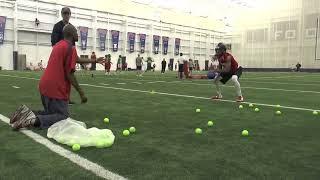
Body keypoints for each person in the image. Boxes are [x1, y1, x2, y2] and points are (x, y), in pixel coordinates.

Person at [9, 24, 91, 130]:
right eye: (76, 32)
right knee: (62, 117)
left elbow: (77, 59)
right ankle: (32, 120)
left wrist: (95, 60)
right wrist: (81, 93)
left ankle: (25, 112)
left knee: (50, 113)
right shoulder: (70, 48)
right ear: (71, 34)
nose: (77, 34)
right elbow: (70, 74)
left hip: (44, 85)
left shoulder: (59, 45)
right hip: (56, 88)